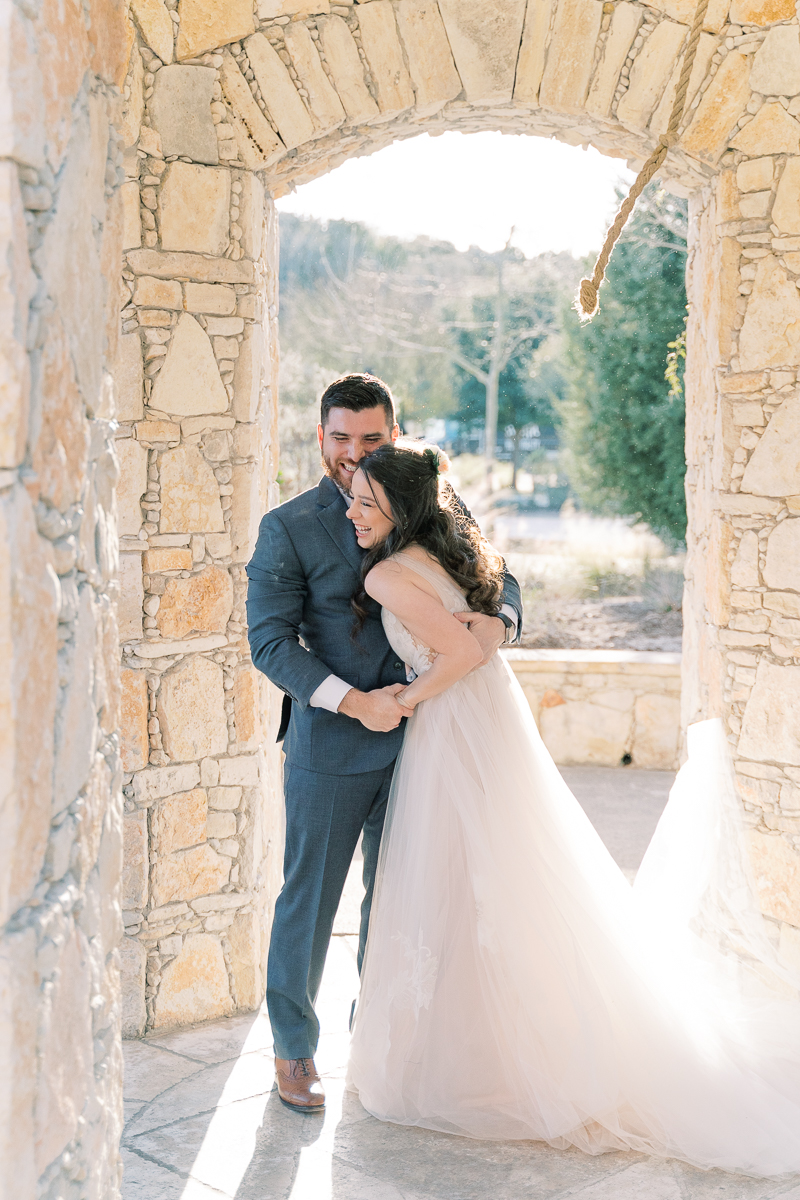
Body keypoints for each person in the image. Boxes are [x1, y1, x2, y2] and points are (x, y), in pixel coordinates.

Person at [346, 440, 800, 1178]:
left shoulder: (390, 574)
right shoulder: (435, 552)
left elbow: (460, 656)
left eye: (367, 501)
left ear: (399, 508)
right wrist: (477, 639)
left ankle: (490, 1056)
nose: (353, 511)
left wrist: (403, 700)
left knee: (464, 880)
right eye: (354, 498)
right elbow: (477, 639)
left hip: (454, 724)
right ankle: (486, 1038)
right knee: (492, 881)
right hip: (485, 721)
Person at [246, 374, 522, 1113]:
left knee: (400, 901)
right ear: (320, 437)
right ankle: (293, 1051)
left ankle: (379, 1040)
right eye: (340, 437)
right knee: (309, 899)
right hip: (332, 745)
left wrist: (502, 624)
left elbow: (499, 576)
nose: (353, 453)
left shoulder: (434, 503)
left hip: (428, 745)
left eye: (370, 439)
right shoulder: (289, 525)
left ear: (393, 437)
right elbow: (269, 641)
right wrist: (354, 701)